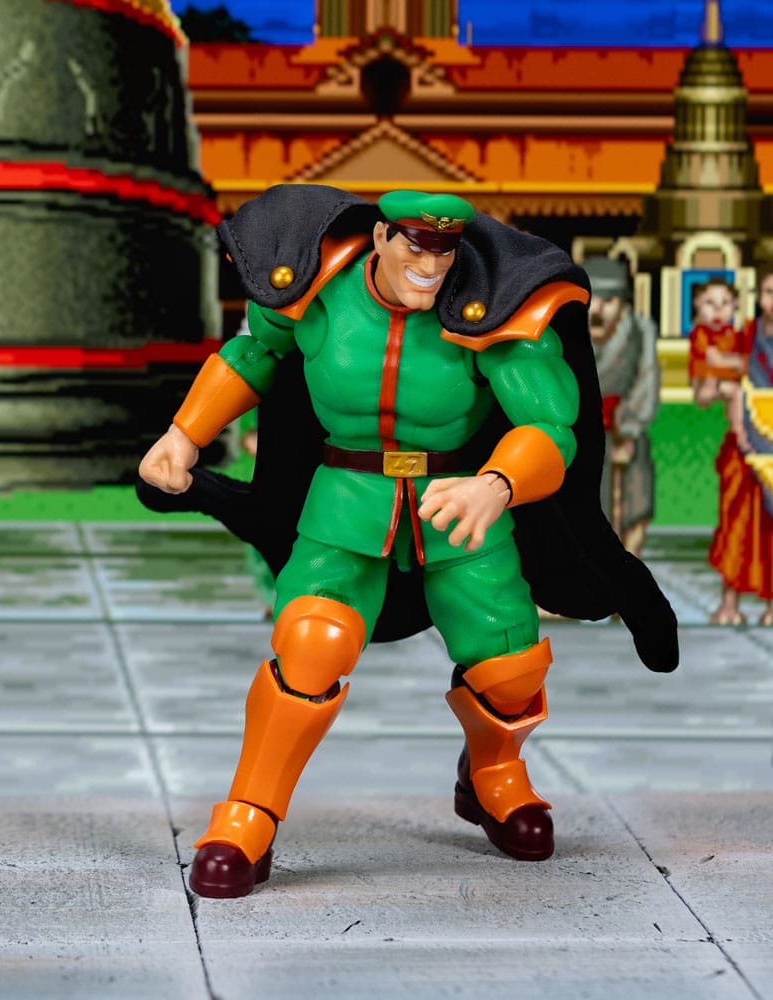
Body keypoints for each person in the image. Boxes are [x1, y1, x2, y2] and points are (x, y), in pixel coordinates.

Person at [138, 184, 678, 899]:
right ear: (381, 239)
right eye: (416, 247)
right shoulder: (317, 291)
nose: (431, 265)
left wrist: (497, 485)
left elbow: (549, 427)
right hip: (346, 507)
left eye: (444, 250)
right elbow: (253, 356)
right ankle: (248, 813)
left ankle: (492, 772)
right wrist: (184, 433)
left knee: (511, 669)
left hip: (458, 509)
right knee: (311, 644)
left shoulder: (490, 306)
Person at [582, 256, 660, 559]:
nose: (598, 310)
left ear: (623, 304)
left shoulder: (640, 330)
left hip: (624, 429)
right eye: (593, 301)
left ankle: (628, 569)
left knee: (633, 504)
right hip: (579, 433)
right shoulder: (566, 331)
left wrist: (628, 428)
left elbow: (646, 379)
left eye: (609, 301)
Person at [708, 266, 773, 625]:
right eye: (769, 292)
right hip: (745, 441)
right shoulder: (743, 336)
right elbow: (718, 382)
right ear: (758, 297)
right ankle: (729, 603)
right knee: (736, 524)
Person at [688, 276, 747, 408]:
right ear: (697, 303)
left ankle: (736, 421)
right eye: (710, 303)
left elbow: (745, 363)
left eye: (725, 303)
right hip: (704, 381)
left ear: (735, 304)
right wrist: (734, 362)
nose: (718, 310)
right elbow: (712, 360)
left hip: (727, 380)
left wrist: (732, 362)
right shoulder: (699, 333)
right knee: (710, 380)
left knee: (737, 392)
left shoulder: (734, 334)